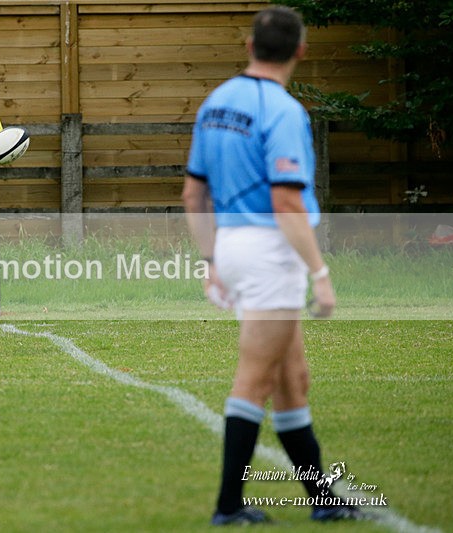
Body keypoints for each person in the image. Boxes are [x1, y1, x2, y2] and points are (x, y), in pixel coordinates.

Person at [182, 6, 362, 525]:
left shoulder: (216, 101)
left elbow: (194, 194)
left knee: (292, 378)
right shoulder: (284, 111)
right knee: (255, 378)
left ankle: (323, 501)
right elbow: (286, 204)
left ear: (248, 45)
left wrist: (213, 259)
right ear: (301, 52)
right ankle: (228, 505)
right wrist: (321, 276)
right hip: (269, 253)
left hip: (236, 247)